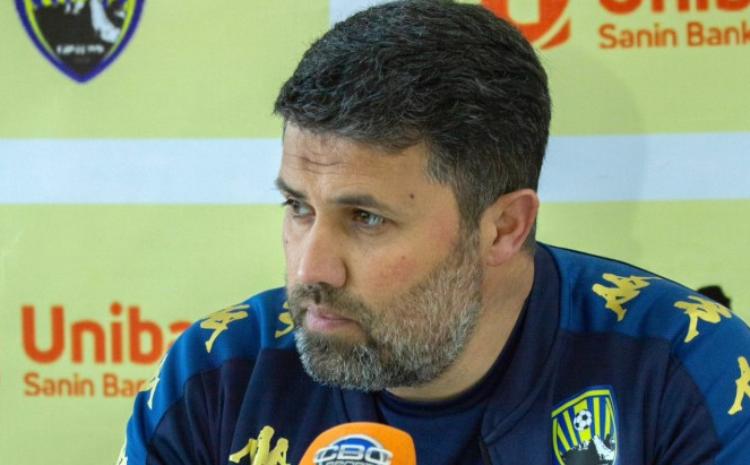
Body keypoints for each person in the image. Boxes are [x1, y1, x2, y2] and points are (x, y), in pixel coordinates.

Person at [119, 1, 750, 464]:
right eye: (298, 207)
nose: (310, 270)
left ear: (504, 227)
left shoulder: (689, 371)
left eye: (366, 218)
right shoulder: (216, 376)